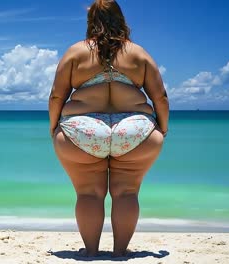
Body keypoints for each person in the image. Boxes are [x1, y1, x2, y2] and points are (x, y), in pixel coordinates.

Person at [49, 0, 169, 258]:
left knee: (88, 192)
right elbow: (161, 98)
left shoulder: (75, 53)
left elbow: (56, 98)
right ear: (121, 19)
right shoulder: (139, 54)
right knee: (127, 192)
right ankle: (120, 251)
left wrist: (54, 128)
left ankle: (91, 251)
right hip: (135, 131)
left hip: (82, 131)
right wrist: (163, 128)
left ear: (91, 21)